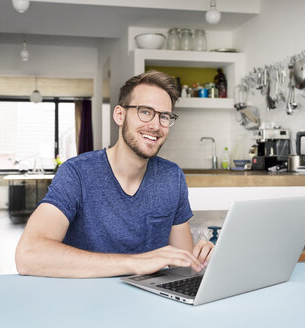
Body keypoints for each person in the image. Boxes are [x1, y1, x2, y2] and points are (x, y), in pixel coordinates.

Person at [15, 71, 214, 278]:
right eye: (145, 112)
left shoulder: (172, 177)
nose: (155, 125)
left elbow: (182, 266)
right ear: (120, 115)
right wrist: (135, 263)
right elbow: (29, 255)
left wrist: (202, 259)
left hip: (149, 304)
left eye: (164, 116)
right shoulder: (77, 174)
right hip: (85, 302)